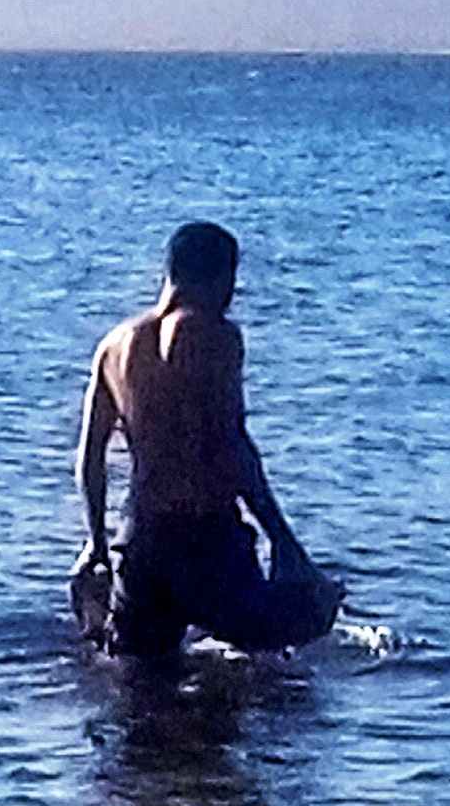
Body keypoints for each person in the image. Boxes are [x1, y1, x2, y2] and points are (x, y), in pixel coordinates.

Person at [73, 221, 342, 661]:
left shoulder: (113, 347)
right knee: (302, 624)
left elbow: (90, 460)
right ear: (222, 278)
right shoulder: (215, 335)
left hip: (141, 540)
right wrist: (284, 541)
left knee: (140, 682)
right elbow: (230, 442)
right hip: (207, 540)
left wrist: (99, 544)